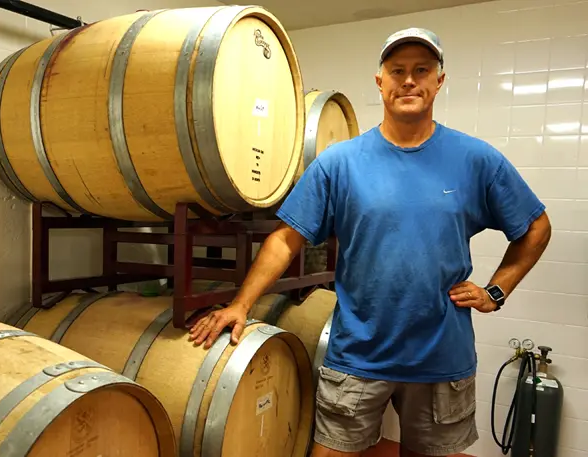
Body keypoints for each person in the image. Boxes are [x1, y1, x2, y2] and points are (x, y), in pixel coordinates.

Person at [188, 27, 551, 457]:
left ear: (439, 80)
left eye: (421, 70)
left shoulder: (475, 159)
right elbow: (286, 239)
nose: (409, 80)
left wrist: (496, 290)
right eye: (397, 71)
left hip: (440, 358)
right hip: (358, 356)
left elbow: (535, 226)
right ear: (380, 81)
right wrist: (240, 304)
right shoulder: (340, 163)